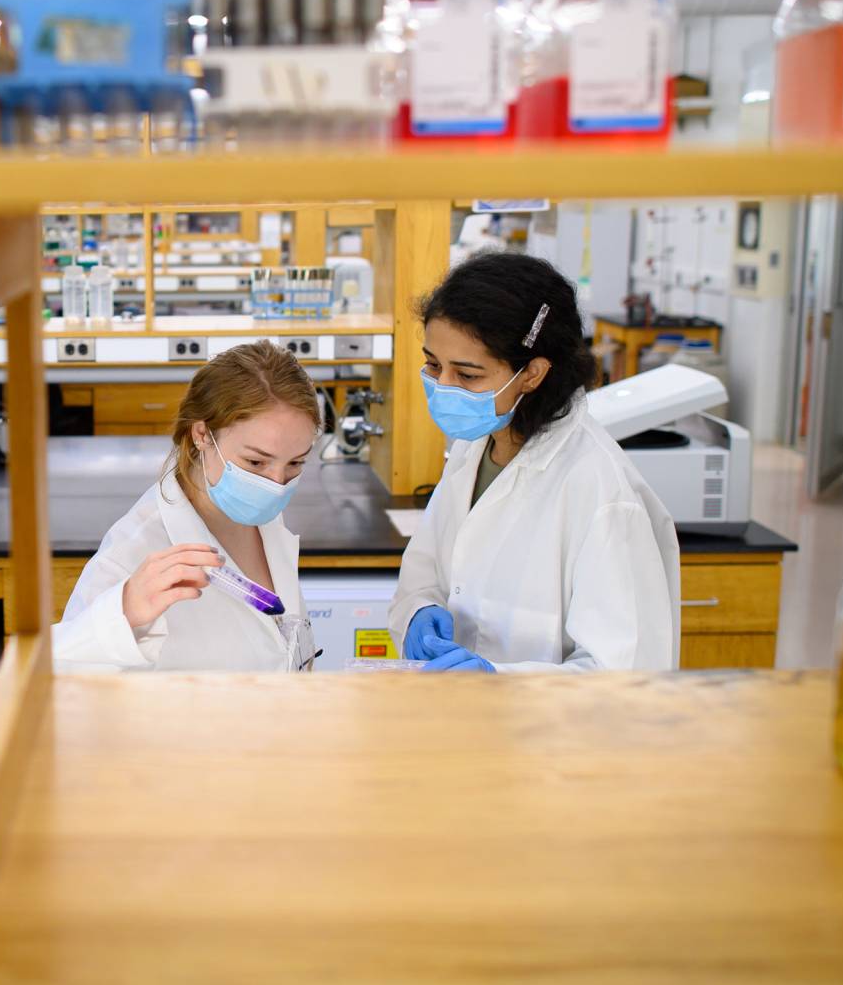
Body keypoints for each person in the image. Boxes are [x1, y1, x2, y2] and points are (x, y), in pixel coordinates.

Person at [390, 251, 680, 672]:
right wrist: (420, 608)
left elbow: (625, 674)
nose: (444, 386)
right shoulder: (477, 445)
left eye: (467, 375)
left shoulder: (602, 491)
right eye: (433, 365)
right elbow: (429, 570)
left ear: (532, 373)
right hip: (457, 708)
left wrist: (500, 682)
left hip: (538, 718)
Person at [55, 341, 321, 670]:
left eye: (295, 463)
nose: (276, 484)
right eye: (255, 462)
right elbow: (60, 675)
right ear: (202, 434)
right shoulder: (132, 554)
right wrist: (122, 615)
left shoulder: (260, 517)